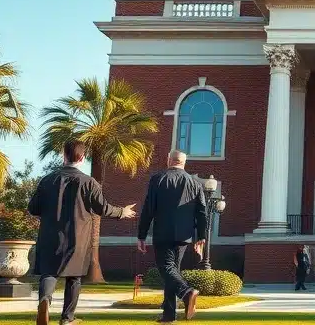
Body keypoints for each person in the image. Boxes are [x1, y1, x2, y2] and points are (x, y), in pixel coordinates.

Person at [28, 139, 137, 325]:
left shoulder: (47, 180)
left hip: (49, 235)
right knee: (74, 277)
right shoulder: (89, 182)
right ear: (83, 157)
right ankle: (67, 318)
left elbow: (33, 208)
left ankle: (44, 301)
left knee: (49, 273)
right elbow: (102, 208)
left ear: (64, 155)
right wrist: (122, 212)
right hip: (77, 237)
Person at [137, 150, 208, 323]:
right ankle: (169, 315)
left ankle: (187, 292)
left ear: (168, 160)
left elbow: (148, 209)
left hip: (163, 232)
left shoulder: (157, 179)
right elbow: (202, 212)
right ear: (184, 162)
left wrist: (141, 235)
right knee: (173, 272)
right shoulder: (195, 183)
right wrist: (201, 237)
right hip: (184, 235)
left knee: (167, 269)